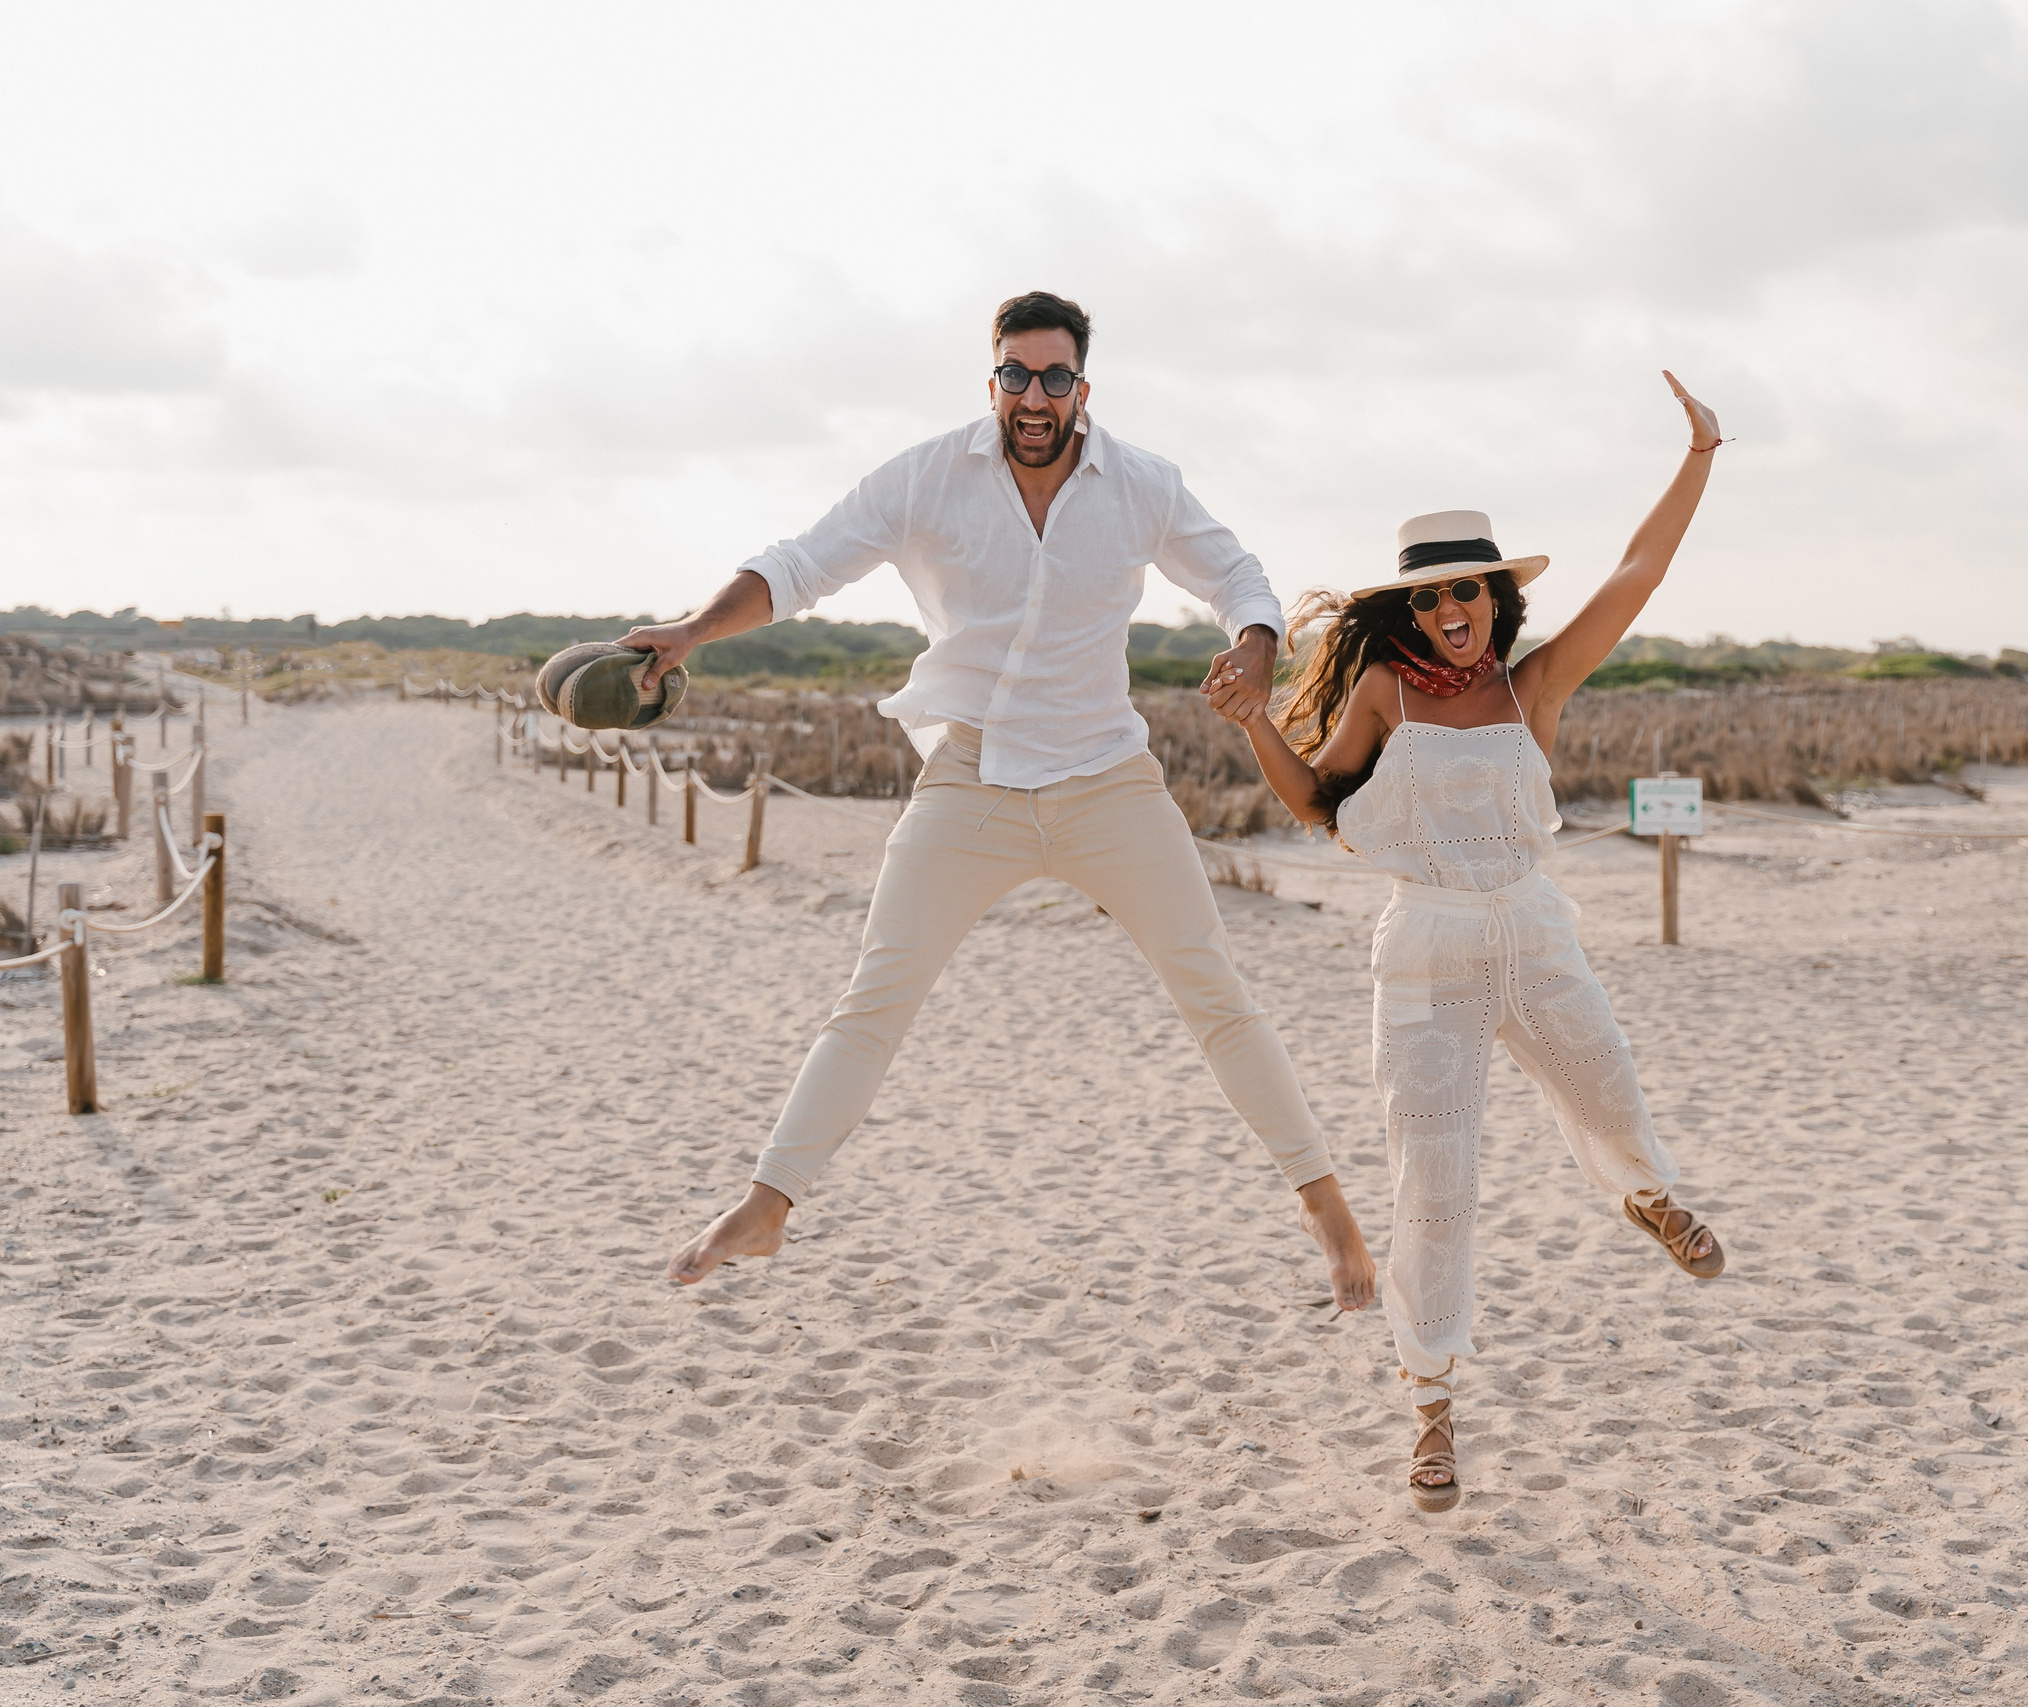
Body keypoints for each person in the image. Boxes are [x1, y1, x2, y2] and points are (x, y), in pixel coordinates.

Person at [629, 291, 1376, 1316]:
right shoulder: (927, 476)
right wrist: (689, 631)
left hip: (1106, 779)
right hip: (970, 779)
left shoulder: (1143, 484)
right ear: (992, 383)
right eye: (1016, 376)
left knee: (1217, 996)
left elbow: (1237, 574)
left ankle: (1327, 1212)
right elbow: (799, 566)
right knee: (872, 1000)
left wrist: (1252, 643)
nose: (1035, 396)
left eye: (1055, 378)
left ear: (1081, 389)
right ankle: (767, 1204)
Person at [1212, 371, 1727, 1509]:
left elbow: (1634, 579)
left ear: (1496, 598)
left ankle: (1642, 1197)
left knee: (1609, 1091)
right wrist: (1255, 723)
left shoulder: (1531, 686)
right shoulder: (1387, 694)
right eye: (1433, 599)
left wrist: (1697, 458)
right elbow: (1321, 810)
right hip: (1429, 955)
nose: (1454, 612)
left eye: (1471, 594)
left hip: (1533, 932)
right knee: (1434, 1187)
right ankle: (1431, 1408)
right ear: (1408, 611)